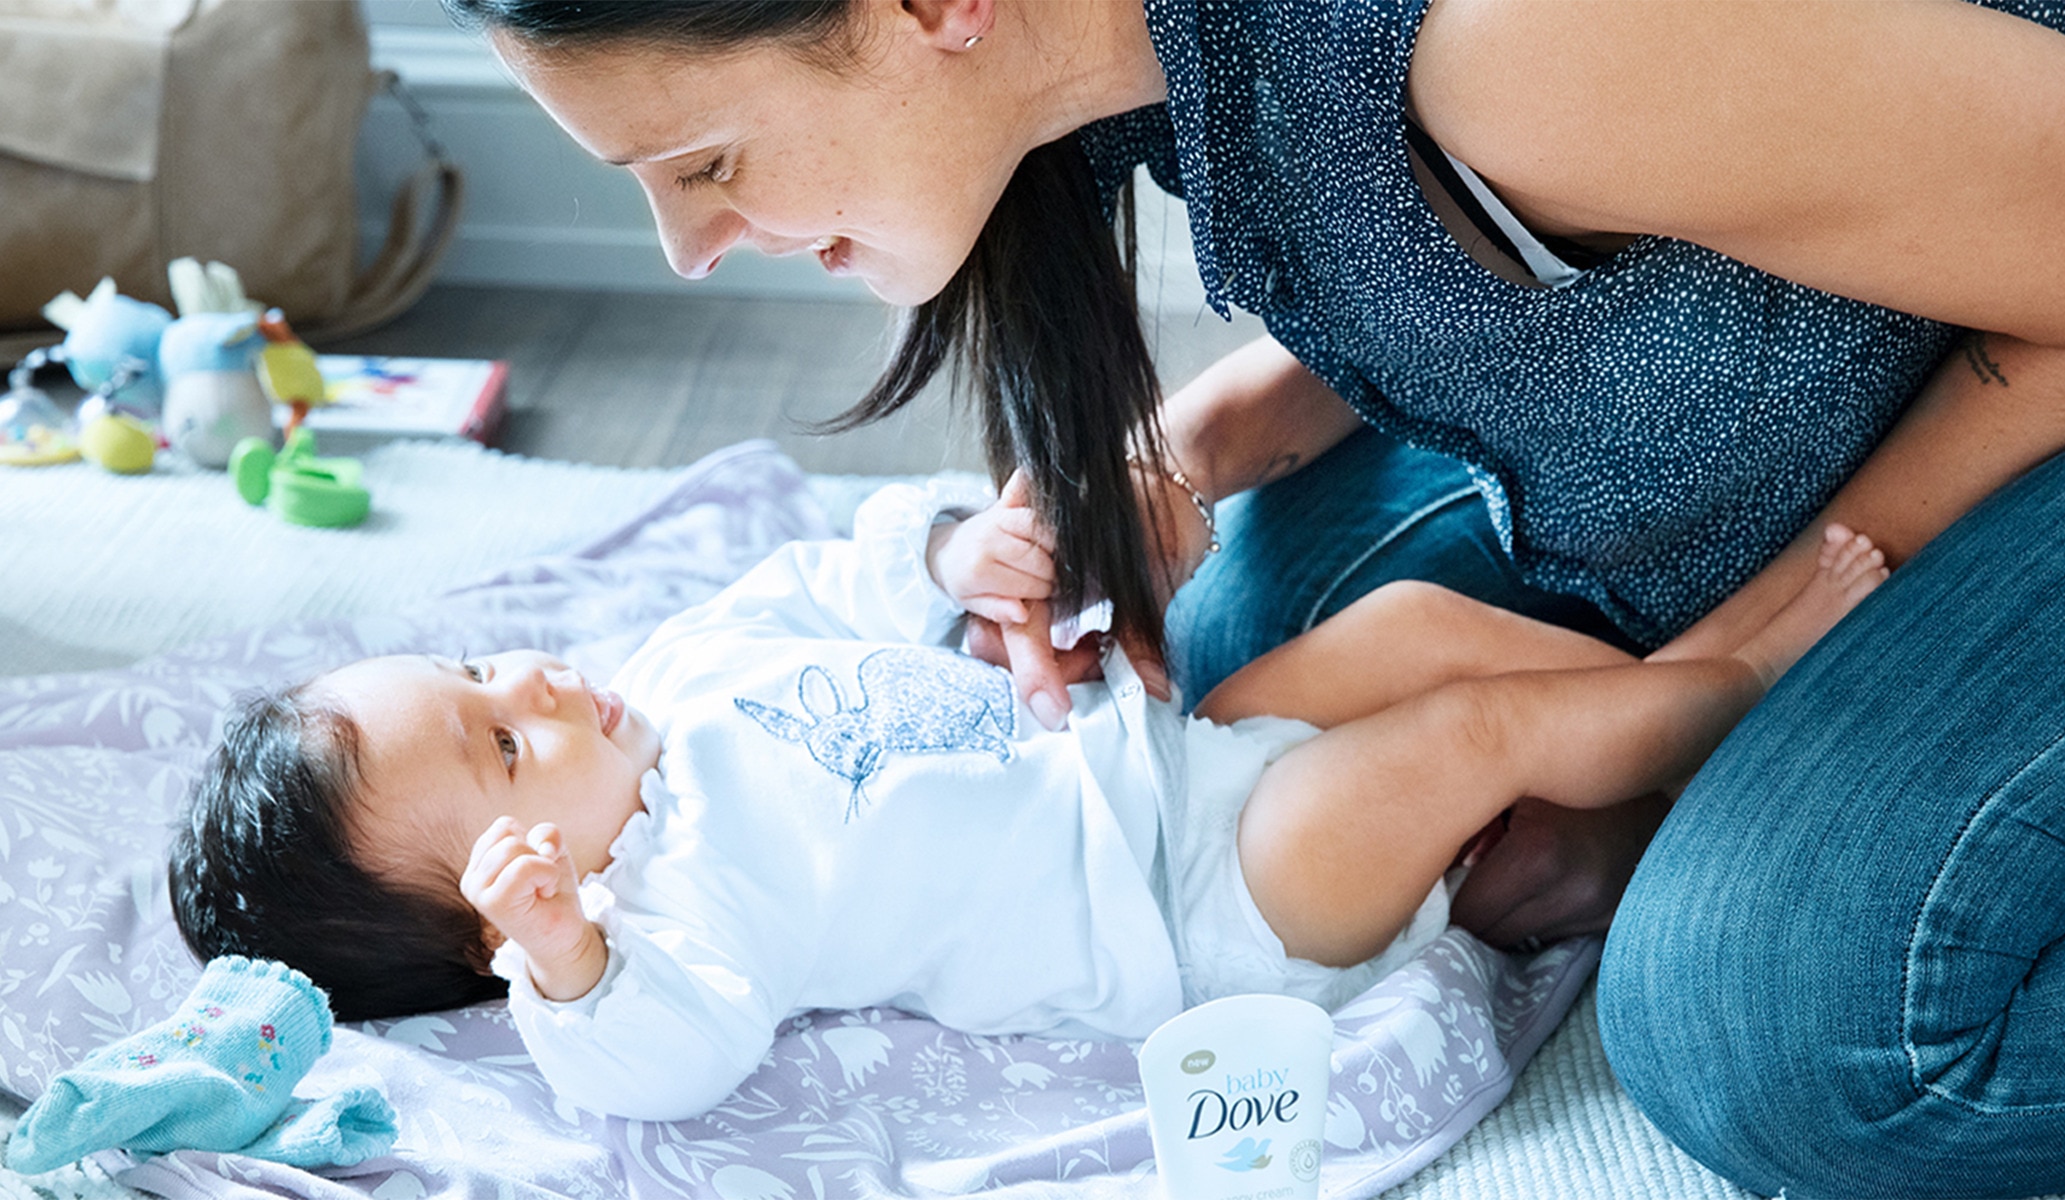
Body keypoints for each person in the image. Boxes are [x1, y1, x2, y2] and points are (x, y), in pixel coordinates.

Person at [434, 1, 2065, 1192]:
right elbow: (1450, 241)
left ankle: (1716, 766)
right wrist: (1182, 453)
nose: (685, 250)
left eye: (704, 160)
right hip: (1834, 335)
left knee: (1774, 1037)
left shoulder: (1524, 48)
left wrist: (1746, 659)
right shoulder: (1145, 57)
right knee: (1224, 676)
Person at [168, 483, 1884, 1121]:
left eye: (491, 676)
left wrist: (941, 552)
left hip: (1168, 756)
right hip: (1207, 907)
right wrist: (564, 967)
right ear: (516, 893)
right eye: (505, 749)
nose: (538, 688)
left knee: (1411, 634)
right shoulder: (671, 921)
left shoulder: (681, 673)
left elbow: (834, 575)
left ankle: (1663, 693)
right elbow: (655, 1068)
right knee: (1458, 738)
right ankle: (1743, 684)